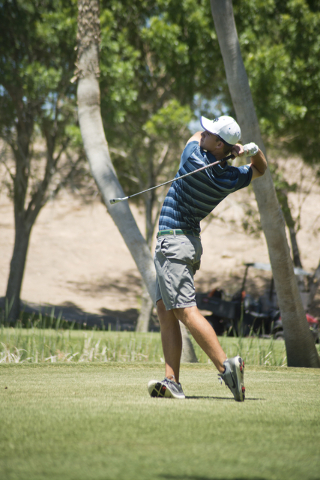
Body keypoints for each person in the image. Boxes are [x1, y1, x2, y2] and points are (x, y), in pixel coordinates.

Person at [148, 115, 267, 402]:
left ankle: (227, 367)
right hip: (185, 243)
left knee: (186, 311)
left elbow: (191, 137)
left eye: (210, 132)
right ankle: (172, 381)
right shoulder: (229, 177)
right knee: (166, 310)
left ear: (217, 143)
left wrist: (229, 149)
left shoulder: (193, 159)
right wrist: (246, 150)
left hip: (174, 243)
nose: (203, 132)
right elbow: (260, 169)